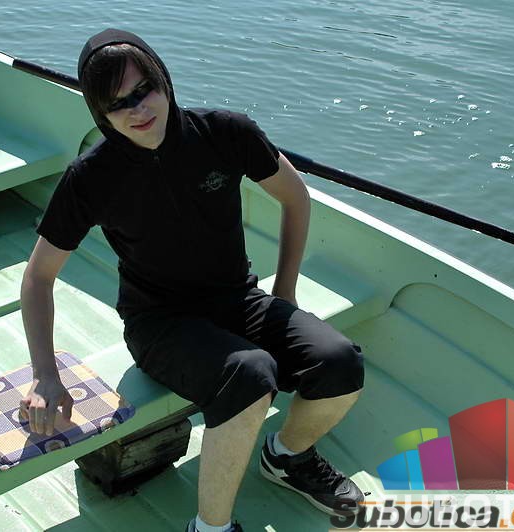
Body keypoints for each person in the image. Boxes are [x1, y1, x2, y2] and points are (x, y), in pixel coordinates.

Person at [19, 28, 365, 532]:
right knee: (251, 374)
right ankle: (210, 527)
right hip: (159, 323)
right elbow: (38, 278)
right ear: (100, 114)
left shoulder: (225, 132)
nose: (137, 110)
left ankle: (287, 456)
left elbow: (295, 197)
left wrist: (285, 292)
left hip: (239, 298)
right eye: (117, 104)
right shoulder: (91, 176)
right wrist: (45, 374)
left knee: (339, 360)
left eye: (144, 90)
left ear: (164, 80)